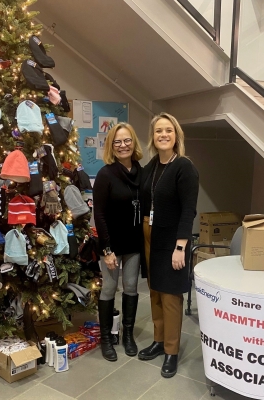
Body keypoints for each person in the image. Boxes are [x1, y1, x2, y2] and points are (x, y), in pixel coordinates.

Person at [138, 112, 199, 378]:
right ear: (153, 137)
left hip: (173, 239)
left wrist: (181, 247)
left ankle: (172, 351)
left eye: (168, 130)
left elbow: (189, 210)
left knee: (171, 296)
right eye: (158, 131)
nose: (163, 135)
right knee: (154, 291)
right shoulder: (152, 166)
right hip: (151, 234)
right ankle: (159, 340)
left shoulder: (184, 167)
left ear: (176, 136)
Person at [93, 122, 143, 362]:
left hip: (134, 244)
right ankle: (106, 339)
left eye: (127, 140)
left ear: (133, 143)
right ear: (111, 146)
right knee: (109, 289)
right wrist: (107, 250)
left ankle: (128, 335)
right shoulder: (106, 174)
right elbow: (99, 215)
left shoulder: (141, 172)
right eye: (118, 142)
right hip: (112, 244)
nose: (123, 145)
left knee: (131, 288)